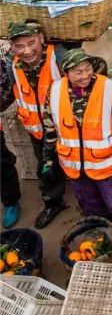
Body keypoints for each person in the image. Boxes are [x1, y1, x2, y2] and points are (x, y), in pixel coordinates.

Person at [41, 49, 112, 258]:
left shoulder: (108, 89)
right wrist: (47, 159)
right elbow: (50, 128)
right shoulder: (55, 92)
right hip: (74, 167)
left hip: (105, 163)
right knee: (92, 209)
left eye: (87, 69)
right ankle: (108, 241)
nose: (84, 76)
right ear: (66, 73)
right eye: (77, 72)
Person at [0, 21, 68, 228]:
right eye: (19, 46)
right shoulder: (12, 63)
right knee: (46, 168)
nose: (27, 51)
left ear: (41, 38)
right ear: (11, 46)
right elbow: (14, 92)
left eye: (31, 43)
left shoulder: (59, 57)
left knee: (79, 164)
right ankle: (53, 202)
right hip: (38, 130)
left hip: (67, 127)